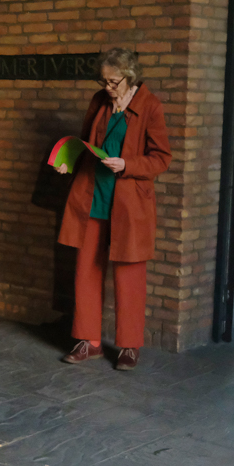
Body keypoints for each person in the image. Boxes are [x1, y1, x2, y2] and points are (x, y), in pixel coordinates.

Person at [54, 47, 171, 370]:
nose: (107, 87)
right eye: (103, 81)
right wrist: (68, 161)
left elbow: (161, 158)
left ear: (129, 77)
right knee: (86, 271)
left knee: (129, 276)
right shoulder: (99, 102)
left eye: (113, 82)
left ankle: (129, 346)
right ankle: (88, 341)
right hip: (92, 198)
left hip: (129, 206)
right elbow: (85, 143)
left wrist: (127, 165)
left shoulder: (150, 106)